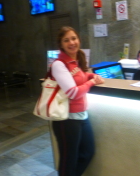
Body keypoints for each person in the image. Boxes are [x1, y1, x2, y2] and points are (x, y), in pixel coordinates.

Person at [51, 26, 104, 176]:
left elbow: (80, 76)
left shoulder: (74, 61)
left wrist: (90, 77)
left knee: (88, 152)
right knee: (69, 161)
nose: (71, 42)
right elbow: (73, 92)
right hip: (66, 120)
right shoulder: (59, 64)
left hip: (81, 116)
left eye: (74, 38)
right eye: (66, 40)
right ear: (61, 44)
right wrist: (92, 83)